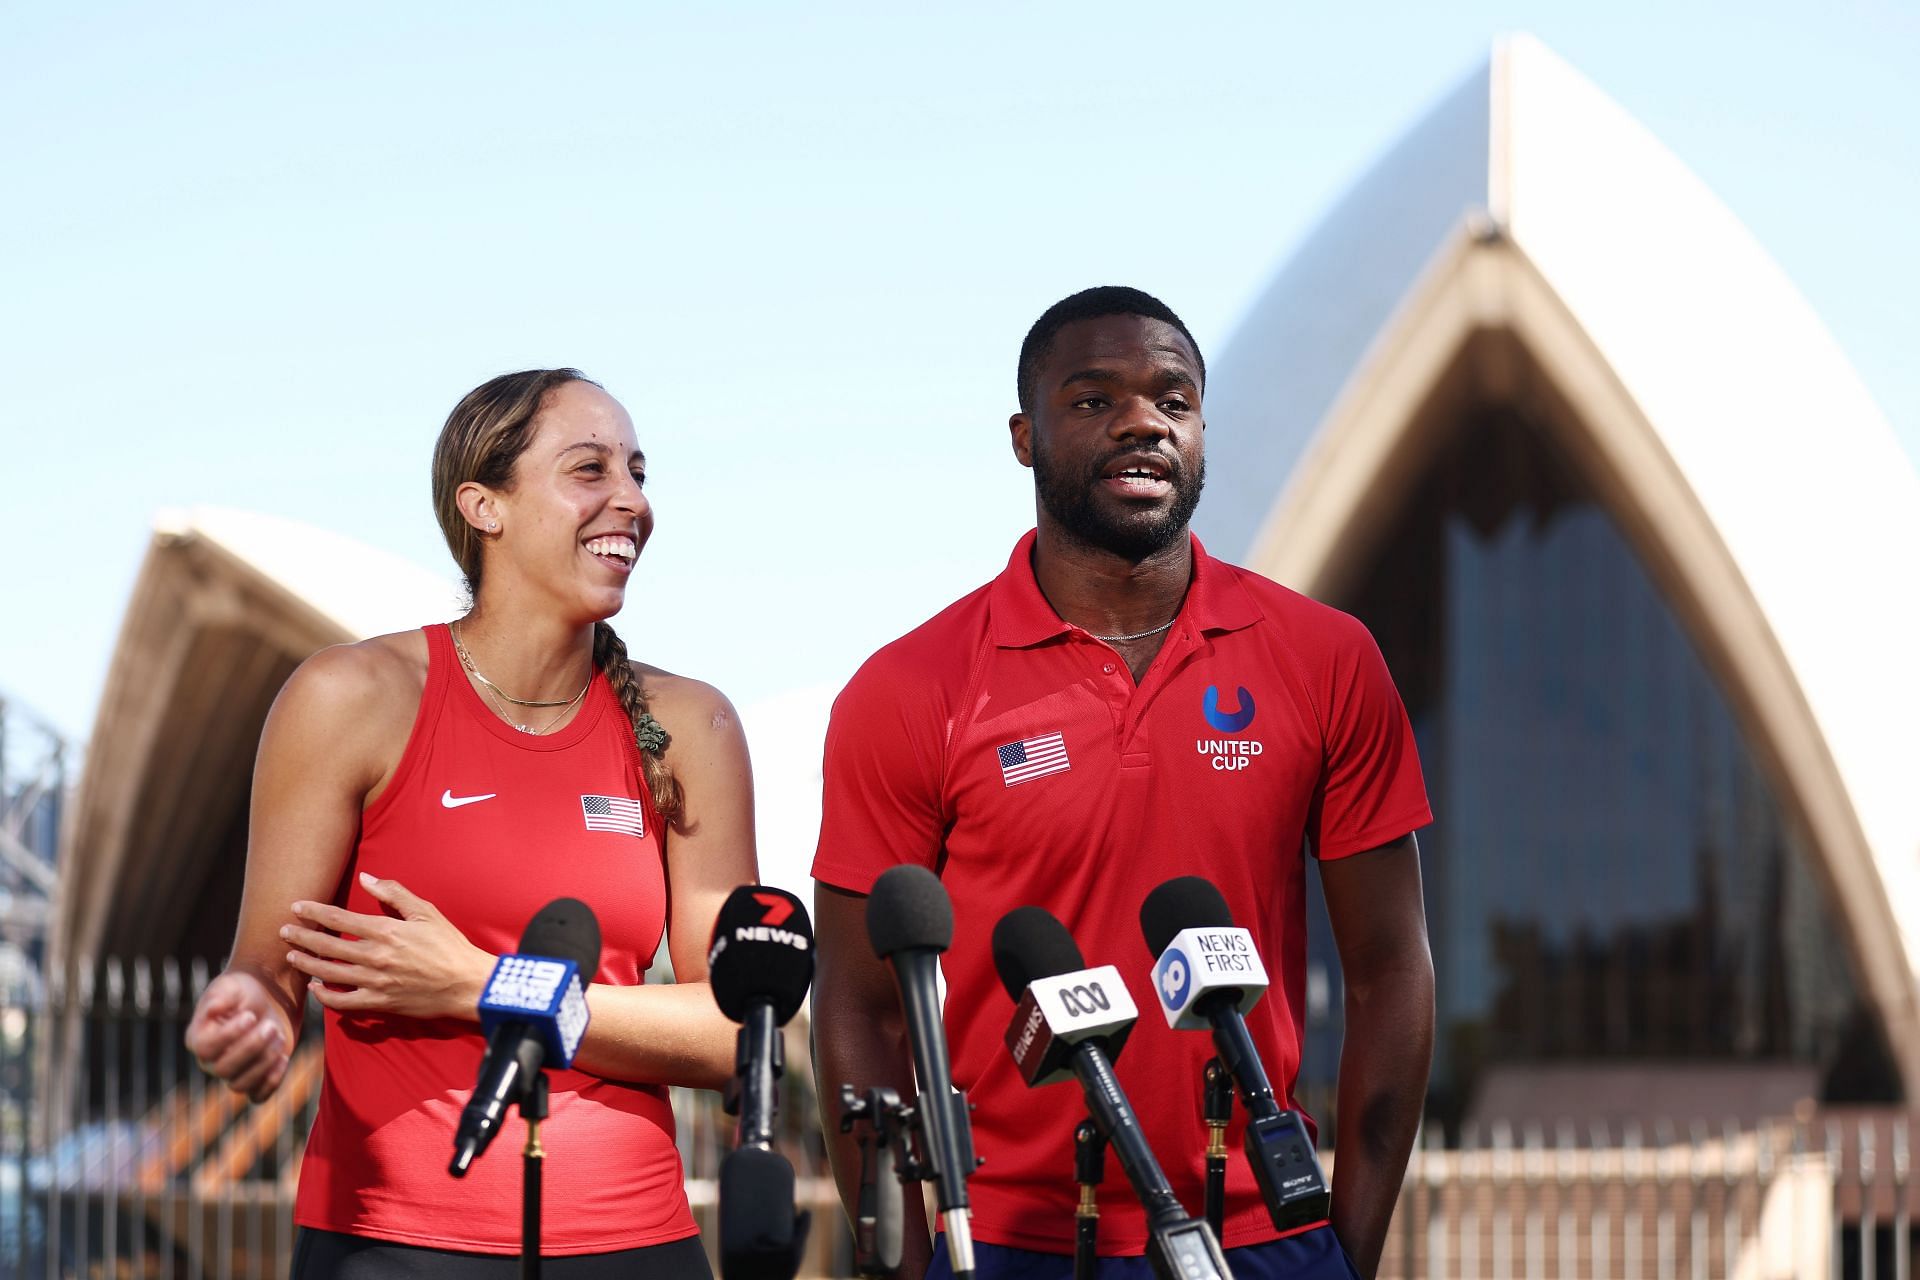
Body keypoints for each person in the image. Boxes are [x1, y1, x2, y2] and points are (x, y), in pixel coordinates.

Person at [811, 288, 1434, 1280]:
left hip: (1268, 1239)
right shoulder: (909, 688)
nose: (1143, 420)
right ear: (1025, 436)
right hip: (1007, 1246)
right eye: (1095, 400)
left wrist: (1343, 1251)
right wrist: (906, 1252)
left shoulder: (1327, 658)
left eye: (1172, 399)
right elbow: (858, 1003)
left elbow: (1391, 971)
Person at [183, 369, 755, 1277]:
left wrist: (490, 984)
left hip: (632, 1241)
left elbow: (736, 1030)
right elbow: (268, 971)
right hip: (385, 1241)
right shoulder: (350, 698)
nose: (633, 502)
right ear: (483, 505)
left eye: (639, 472)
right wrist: (247, 1013)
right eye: (590, 470)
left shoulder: (695, 726)